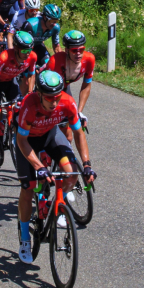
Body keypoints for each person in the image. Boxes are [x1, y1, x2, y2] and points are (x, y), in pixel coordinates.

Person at [12, 70, 94, 263]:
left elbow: (79, 134)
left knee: (71, 174)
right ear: (39, 93)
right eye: (49, 98)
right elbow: (22, 141)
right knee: (28, 189)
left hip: (50, 136)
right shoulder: (29, 105)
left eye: (57, 97)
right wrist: (39, 166)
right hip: (28, 143)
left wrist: (87, 164)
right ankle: (25, 238)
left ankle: (57, 205)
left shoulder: (66, 102)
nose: (54, 102)